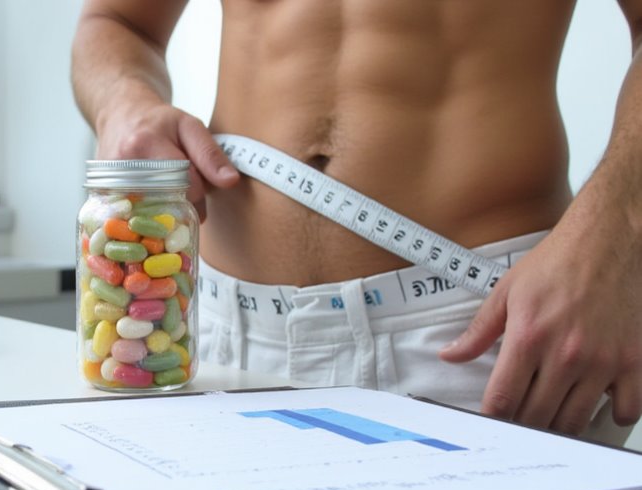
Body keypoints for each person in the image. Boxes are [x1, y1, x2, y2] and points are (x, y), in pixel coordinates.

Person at [70, 0, 642, 445]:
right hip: (214, 334)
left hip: (478, 334)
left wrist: (615, 233)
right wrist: (124, 102)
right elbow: (118, 21)